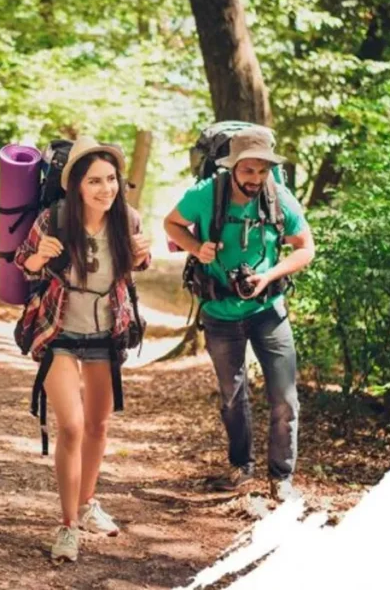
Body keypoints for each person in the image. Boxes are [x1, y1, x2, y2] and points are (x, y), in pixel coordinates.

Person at [14, 136, 152, 563]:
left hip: (107, 337)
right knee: (71, 427)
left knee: (98, 427)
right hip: (59, 334)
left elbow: (134, 266)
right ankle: (68, 524)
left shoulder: (127, 220)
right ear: (75, 184)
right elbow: (22, 261)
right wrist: (38, 257)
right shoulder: (52, 219)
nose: (105, 189)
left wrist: (143, 256)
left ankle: (89, 503)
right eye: (95, 181)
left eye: (111, 180)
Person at [163, 125, 315, 502]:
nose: (256, 179)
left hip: (268, 311)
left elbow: (304, 248)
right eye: (248, 171)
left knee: (285, 397)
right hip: (220, 312)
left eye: (262, 171)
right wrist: (198, 249)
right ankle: (240, 467)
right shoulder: (206, 195)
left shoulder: (279, 198)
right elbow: (172, 224)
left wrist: (269, 276)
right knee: (233, 396)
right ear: (233, 168)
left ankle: (281, 478)